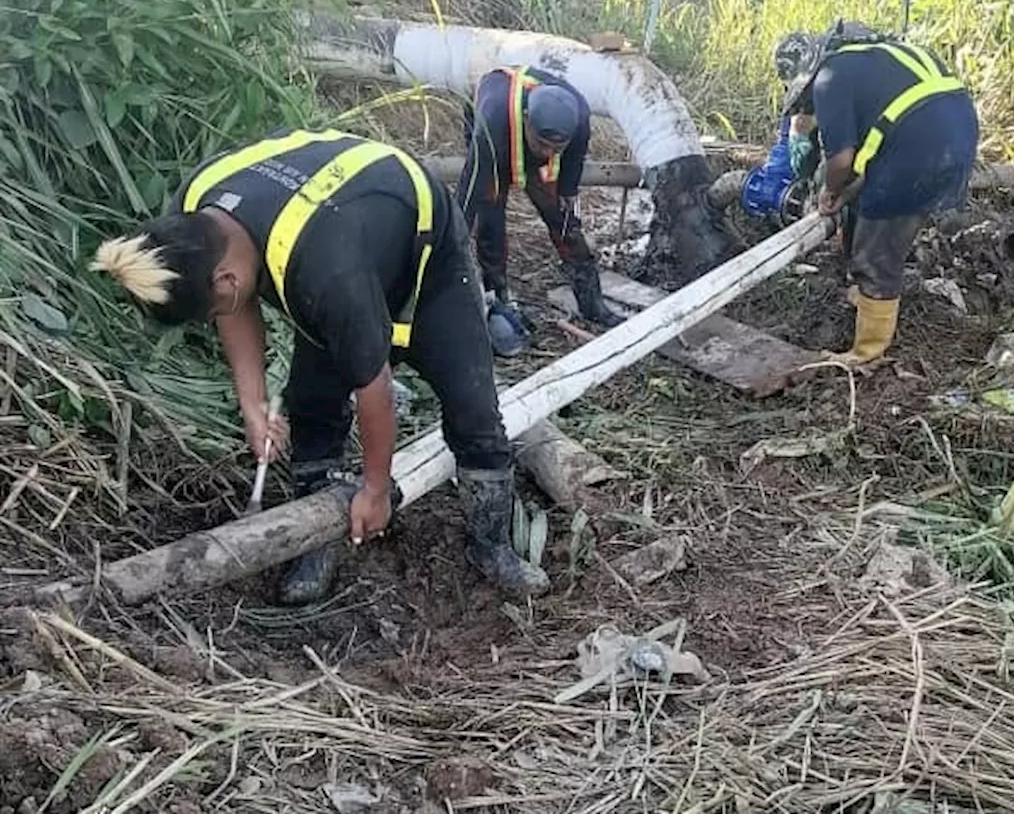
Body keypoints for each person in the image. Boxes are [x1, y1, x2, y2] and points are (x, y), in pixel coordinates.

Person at [90, 127, 549, 606]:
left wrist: (374, 489)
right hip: (341, 237)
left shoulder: (326, 273)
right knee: (312, 404)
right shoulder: (196, 215)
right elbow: (233, 305)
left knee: (472, 405)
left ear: (224, 280)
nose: (215, 318)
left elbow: (375, 388)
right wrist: (253, 403)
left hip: (424, 259)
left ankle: (491, 545)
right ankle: (318, 538)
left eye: (208, 312)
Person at [776, 20, 979, 365]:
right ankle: (869, 298)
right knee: (872, 208)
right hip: (960, 135)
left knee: (876, 254)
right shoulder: (877, 56)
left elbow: (840, 159)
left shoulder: (828, 79)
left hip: (917, 150)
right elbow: (878, 138)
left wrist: (829, 190)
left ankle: (866, 353)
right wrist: (849, 191)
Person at [457, 66, 623, 332]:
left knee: (565, 223)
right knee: (490, 220)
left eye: (556, 148)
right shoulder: (492, 122)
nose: (548, 152)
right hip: (497, 136)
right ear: (527, 120)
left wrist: (568, 190)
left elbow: (575, 155)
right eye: (542, 144)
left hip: (530, 145)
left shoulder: (578, 114)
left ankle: (593, 305)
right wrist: (455, 235)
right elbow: (470, 185)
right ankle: (498, 297)